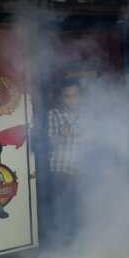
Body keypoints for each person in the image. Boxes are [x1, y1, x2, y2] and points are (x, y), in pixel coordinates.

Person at [46, 79, 81, 245]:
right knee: (63, 205)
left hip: (81, 167)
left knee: (79, 204)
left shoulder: (85, 114)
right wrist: (63, 135)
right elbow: (51, 142)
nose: (71, 99)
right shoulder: (54, 114)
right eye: (68, 96)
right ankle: (61, 240)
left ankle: (79, 237)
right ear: (62, 98)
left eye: (75, 96)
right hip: (62, 168)